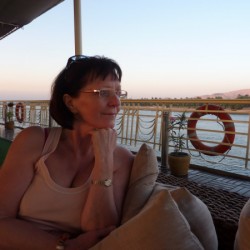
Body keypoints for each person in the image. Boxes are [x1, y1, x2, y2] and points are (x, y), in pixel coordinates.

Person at [0, 55, 134, 249]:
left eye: (119, 93)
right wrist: (64, 246)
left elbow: (101, 232)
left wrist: (104, 161)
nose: (116, 102)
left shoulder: (121, 160)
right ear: (71, 103)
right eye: (103, 92)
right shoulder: (35, 142)